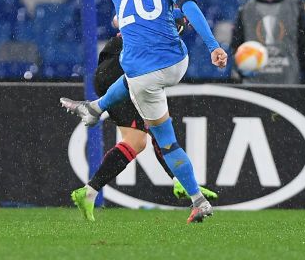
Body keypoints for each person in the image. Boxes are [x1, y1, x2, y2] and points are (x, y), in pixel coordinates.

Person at [62, 0, 227, 224]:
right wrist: (213, 45)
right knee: (160, 136)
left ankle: (95, 109)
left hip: (138, 73)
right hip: (174, 64)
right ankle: (197, 201)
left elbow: (121, 21)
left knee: (161, 137)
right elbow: (191, 9)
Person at [63, 23, 218, 222]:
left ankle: (89, 192)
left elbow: (116, 20)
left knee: (136, 140)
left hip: (114, 65)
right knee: (159, 126)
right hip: (127, 66)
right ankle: (182, 182)